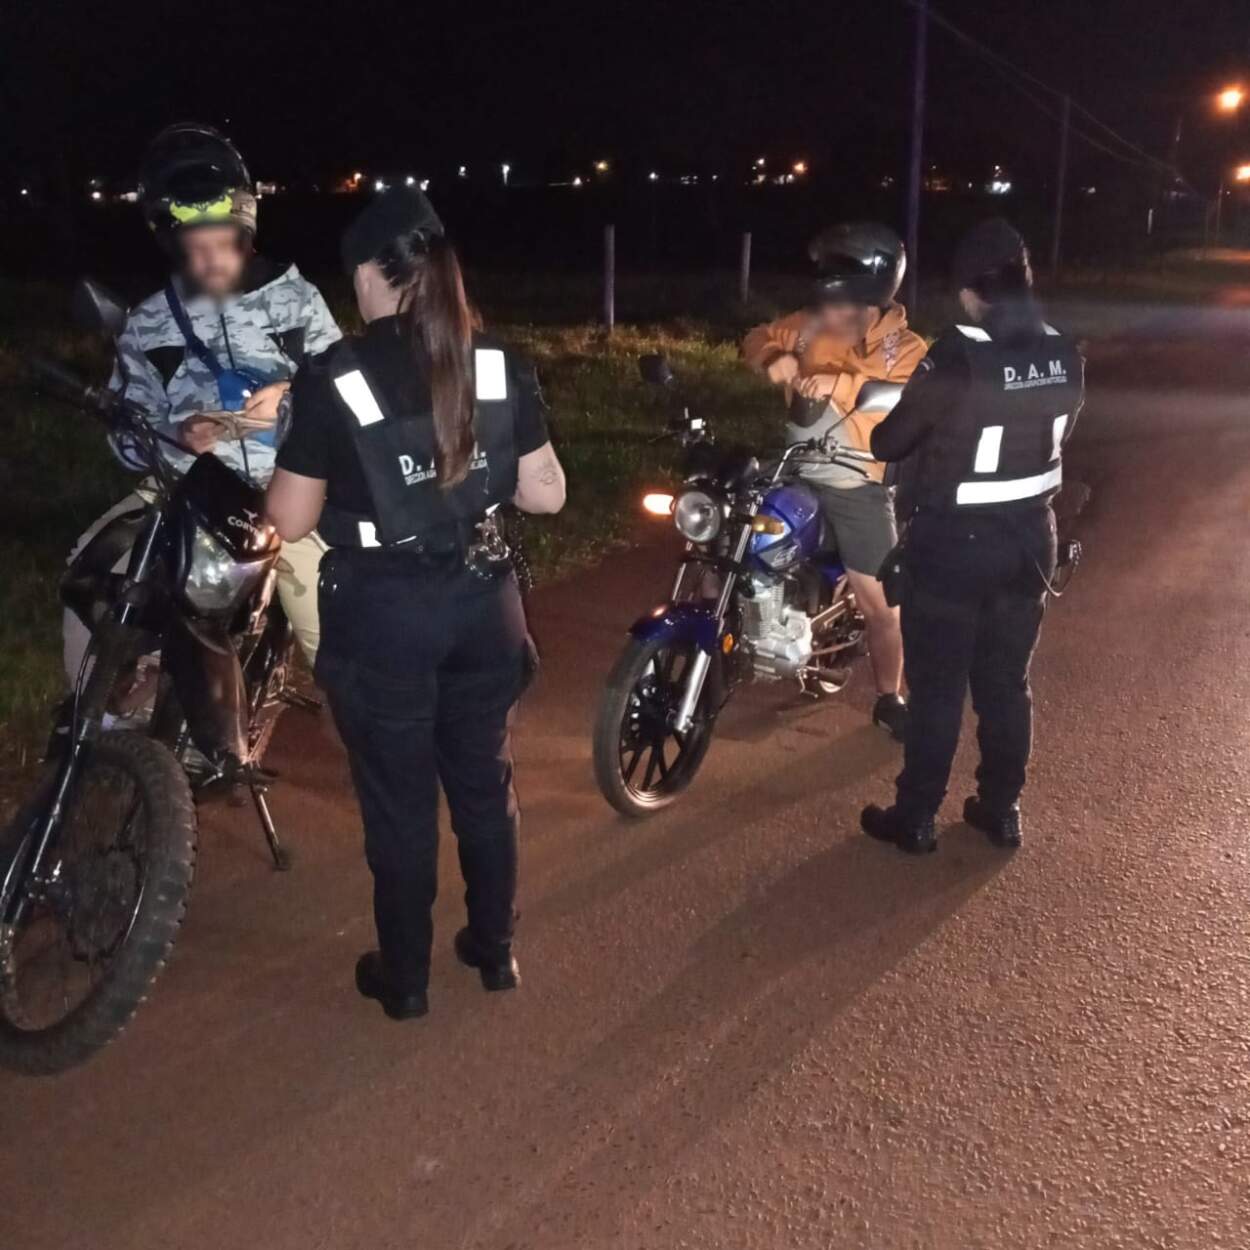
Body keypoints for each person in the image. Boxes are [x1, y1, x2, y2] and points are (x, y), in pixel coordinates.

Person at [266, 186, 566, 1020]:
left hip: (385, 614)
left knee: (400, 804)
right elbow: (546, 498)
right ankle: (494, 947)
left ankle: (405, 979)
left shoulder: (335, 376)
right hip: (484, 605)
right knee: (482, 782)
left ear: (370, 272)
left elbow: (288, 518)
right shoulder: (501, 361)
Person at [63, 122, 341, 688]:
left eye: (222, 239)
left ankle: (371, 736)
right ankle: (96, 728)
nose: (210, 256)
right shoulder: (149, 321)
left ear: (245, 226)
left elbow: (347, 394)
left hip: (287, 492)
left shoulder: (295, 297)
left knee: (341, 650)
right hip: (184, 493)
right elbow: (124, 428)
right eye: (195, 243)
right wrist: (168, 432)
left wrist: (289, 399)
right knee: (86, 570)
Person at [860, 219, 1084, 854]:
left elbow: (891, 440)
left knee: (937, 689)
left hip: (953, 549)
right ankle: (1000, 808)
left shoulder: (959, 353)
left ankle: (917, 816)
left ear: (968, 290)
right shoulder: (1063, 350)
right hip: (1029, 545)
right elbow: (1058, 434)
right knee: (1006, 685)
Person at [743, 223, 927, 740]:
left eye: (844, 304)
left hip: (856, 482)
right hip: (795, 466)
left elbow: (911, 395)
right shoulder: (808, 325)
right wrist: (773, 357)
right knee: (734, 537)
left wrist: (842, 383)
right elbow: (756, 336)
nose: (831, 317)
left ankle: (891, 695)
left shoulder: (905, 348)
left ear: (872, 299)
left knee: (882, 604)